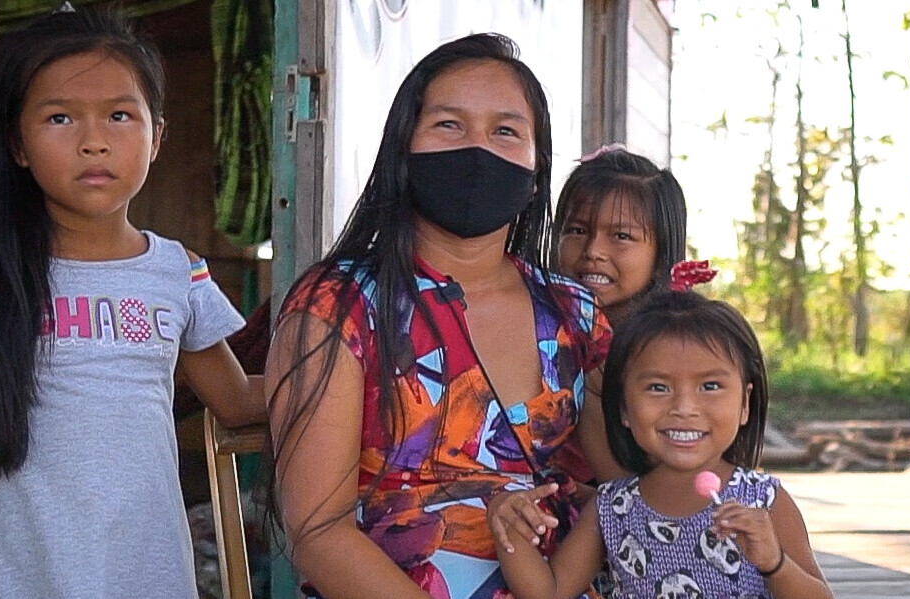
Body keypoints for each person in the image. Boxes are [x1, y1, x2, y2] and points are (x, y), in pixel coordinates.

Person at [265, 33, 611, 599]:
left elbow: (636, 481)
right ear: (403, 150)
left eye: (505, 131)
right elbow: (319, 534)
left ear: (535, 162)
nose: (477, 151)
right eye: (448, 125)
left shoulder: (573, 312)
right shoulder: (338, 307)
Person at [0, 6, 260, 598]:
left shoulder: (177, 271)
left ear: (157, 136)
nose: (93, 141)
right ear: (18, 144)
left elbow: (237, 403)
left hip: (147, 556)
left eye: (119, 115)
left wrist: (356, 377)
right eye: (59, 117)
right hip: (33, 564)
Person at [487, 265, 836, 599]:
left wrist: (774, 563)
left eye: (710, 385)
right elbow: (549, 590)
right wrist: (507, 524)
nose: (684, 408)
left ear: (745, 403)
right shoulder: (612, 508)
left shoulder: (763, 502)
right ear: (624, 407)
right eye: (657, 388)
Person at [552, 144, 690, 483]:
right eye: (577, 230)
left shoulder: (678, 345)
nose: (593, 251)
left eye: (621, 236)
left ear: (661, 250)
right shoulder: (537, 326)